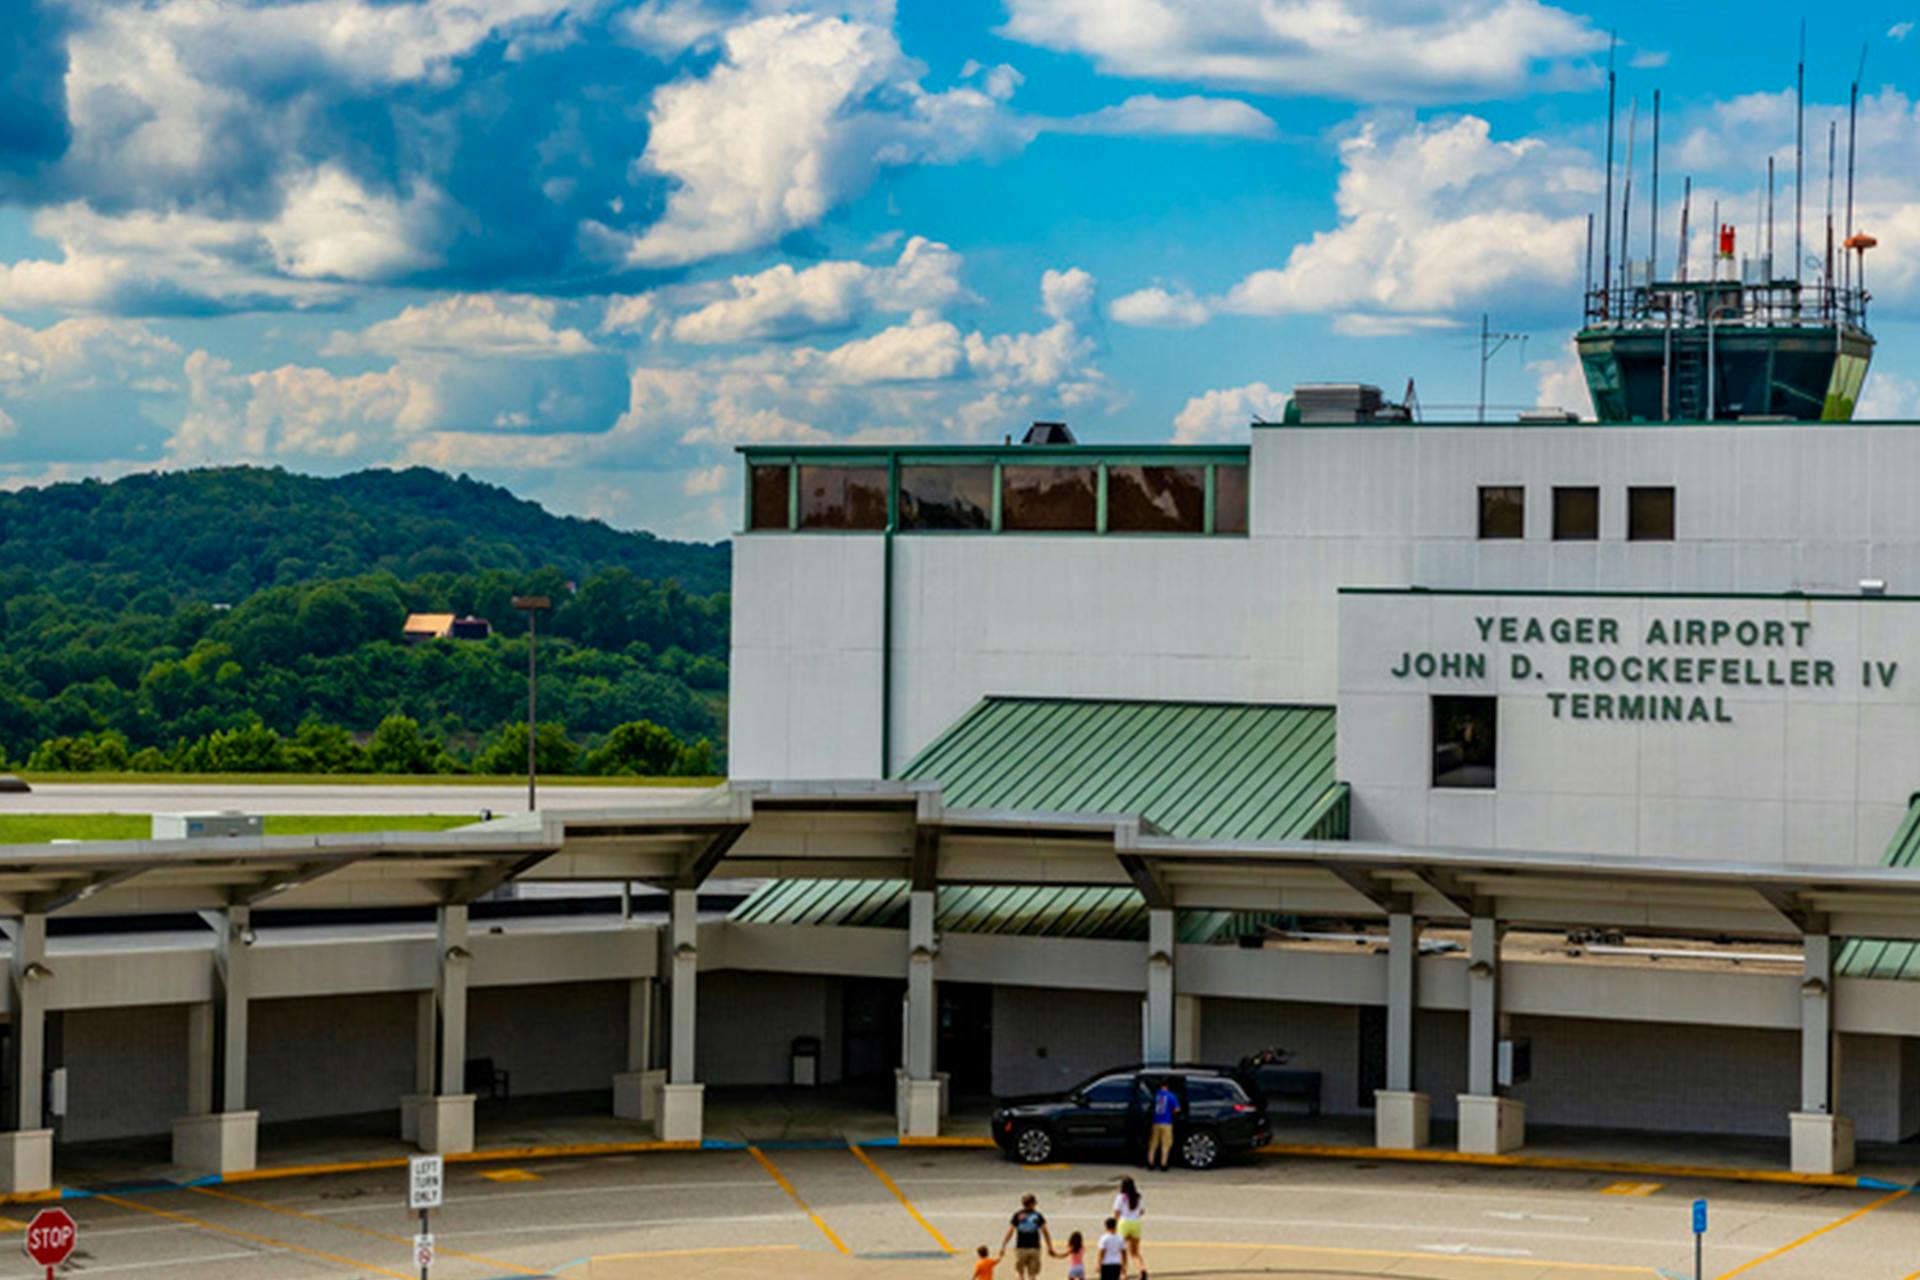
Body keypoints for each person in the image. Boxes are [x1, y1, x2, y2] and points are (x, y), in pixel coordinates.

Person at [1000, 1192, 1054, 1279]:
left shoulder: (1017, 1215)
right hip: (1035, 1247)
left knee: (1020, 1273)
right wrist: (1049, 1247)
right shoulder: (1038, 1216)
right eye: (1035, 1203)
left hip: (1021, 1247)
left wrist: (1004, 1245)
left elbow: (1010, 1231)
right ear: (1032, 1204)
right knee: (1032, 1275)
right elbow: (1045, 1232)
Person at [1112, 1176, 1146, 1279]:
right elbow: (1142, 1211)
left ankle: (1123, 1274)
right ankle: (1141, 1269)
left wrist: (1115, 1225)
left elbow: (1116, 1212)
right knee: (1135, 1252)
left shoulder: (1120, 1197)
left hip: (1124, 1224)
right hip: (1136, 1224)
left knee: (1122, 1251)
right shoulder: (1138, 1197)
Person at [1147, 1080, 1179, 1171]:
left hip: (1156, 1121)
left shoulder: (1155, 1095)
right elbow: (1177, 1109)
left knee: (1153, 1144)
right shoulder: (1171, 1096)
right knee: (1165, 1145)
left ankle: (1150, 1163)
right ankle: (1163, 1164)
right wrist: (1171, 1113)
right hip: (1166, 1122)